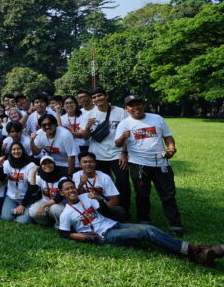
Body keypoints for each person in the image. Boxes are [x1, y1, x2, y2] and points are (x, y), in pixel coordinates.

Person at [57, 179, 224, 266]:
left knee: (150, 228)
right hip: (105, 235)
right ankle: (195, 251)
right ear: (62, 193)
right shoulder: (66, 213)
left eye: (72, 187)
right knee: (147, 232)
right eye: (67, 189)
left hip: (113, 224)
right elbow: (63, 234)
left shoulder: (85, 197)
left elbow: (107, 212)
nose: (71, 190)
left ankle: (197, 252)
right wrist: (81, 237)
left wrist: (100, 200)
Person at [115, 95, 184, 236]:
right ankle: (144, 221)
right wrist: (123, 137)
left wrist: (171, 148)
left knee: (168, 194)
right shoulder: (124, 123)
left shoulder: (157, 118)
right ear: (126, 108)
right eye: (131, 105)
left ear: (144, 104)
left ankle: (176, 225)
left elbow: (168, 136)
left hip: (160, 162)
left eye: (138, 104)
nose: (136, 108)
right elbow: (116, 143)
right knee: (142, 194)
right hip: (138, 164)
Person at [81, 87, 131, 219]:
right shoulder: (88, 115)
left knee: (123, 183)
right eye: (94, 97)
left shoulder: (121, 112)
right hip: (97, 156)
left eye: (99, 96)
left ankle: (124, 212)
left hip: (117, 154)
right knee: (101, 185)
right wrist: (87, 126)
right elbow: (84, 137)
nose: (97, 99)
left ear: (106, 96)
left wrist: (124, 153)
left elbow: (126, 134)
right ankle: (105, 211)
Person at [72, 152, 127, 222]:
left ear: (95, 163)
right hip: (83, 208)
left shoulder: (105, 177)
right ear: (80, 164)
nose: (88, 164)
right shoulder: (76, 176)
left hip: (101, 207)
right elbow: (75, 198)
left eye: (91, 162)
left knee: (120, 210)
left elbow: (114, 200)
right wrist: (81, 184)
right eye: (85, 162)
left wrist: (99, 210)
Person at [0, 142, 35, 224]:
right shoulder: (7, 162)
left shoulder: (30, 165)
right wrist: (0, 165)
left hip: (27, 198)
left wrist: (23, 205)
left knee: (22, 221)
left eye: (19, 149)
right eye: (13, 149)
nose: (16, 151)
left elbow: (31, 188)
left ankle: (23, 211)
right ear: (10, 151)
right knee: (6, 218)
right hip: (11, 197)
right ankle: (16, 211)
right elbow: (1, 178)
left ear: (23, 150)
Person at [25, 156, 66, 226]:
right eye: (44, 164)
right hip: (45, 200)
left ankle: (60, 224)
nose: (47, 165)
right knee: (32, 211)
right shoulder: (40, 177)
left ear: (54, 164)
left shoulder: (62, 177)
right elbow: (32, 190)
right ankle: (48, 223)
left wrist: (43, 206)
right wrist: (33, 173)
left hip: (59, 203)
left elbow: (60, 197)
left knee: (54, 209)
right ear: (41, 166)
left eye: (50, 163)